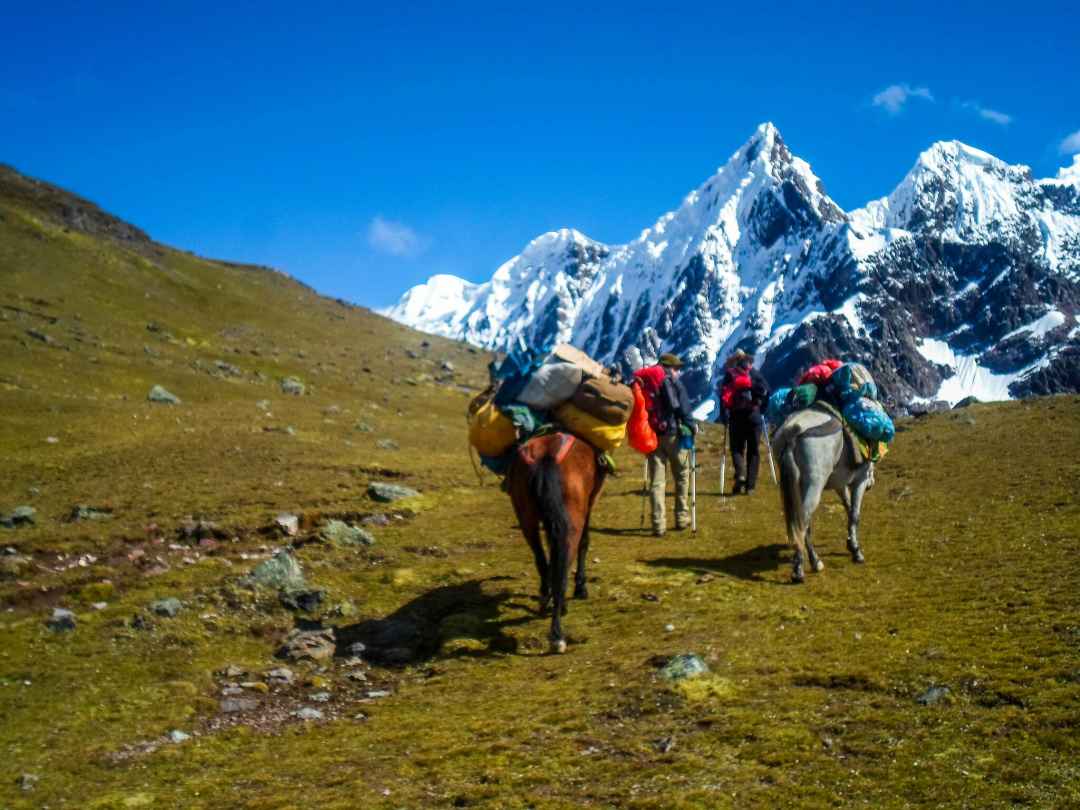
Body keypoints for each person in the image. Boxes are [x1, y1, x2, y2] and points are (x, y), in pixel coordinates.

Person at [634, 353, 695, 536]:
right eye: (677, 368)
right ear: (669, 367)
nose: (678, 372)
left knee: (657, 482)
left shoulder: (646, 382)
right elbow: (683, 408)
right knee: (682, 476)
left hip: (653, 436)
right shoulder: (673, 383)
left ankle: (658, 524)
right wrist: (691, 426)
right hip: (673, 435)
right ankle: (682, 517)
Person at [717, 350, 770, 495]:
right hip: (754, 415)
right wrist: (761, 409)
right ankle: (750, 486)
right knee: (753, 451)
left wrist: (724, 415)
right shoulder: (754, 373)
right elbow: (767, 389)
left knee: (736, 449)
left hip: (736, 416)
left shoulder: (730, 374)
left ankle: (740, 474)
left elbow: (722, 395)